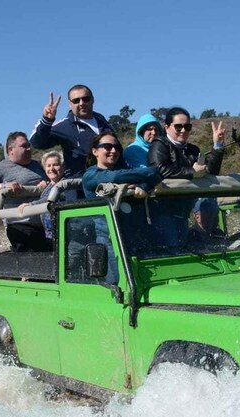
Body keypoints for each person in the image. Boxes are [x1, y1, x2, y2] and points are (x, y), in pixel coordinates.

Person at [79, 133, 162, 283]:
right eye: (107, 146)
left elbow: (156, 176)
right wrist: (146, 175)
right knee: (117, 284)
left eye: (117, 147)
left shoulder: (125, 172)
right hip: (108, 240)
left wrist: (143, 186)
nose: (113, 150)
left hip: (133, 237)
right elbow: (116, 177)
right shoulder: (90, 176)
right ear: (95, 151)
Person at [29, 85, 114, 200]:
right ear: (70, 104)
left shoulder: (103, 122)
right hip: (79, 192)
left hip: (110, 186)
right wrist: (47, 120)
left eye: (85, 99)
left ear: (92, 99)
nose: (81, 103)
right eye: (76, 100)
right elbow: (37, 143)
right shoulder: (65, 126)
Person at [0, 131, 49, 252]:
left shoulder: (38, 165)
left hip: (48, 225)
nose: (29, 149)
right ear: (11, 149)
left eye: (29, 145)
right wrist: (3, 186)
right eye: (24, 146)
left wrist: (47, 184)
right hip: (21, 227)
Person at [147, 107, 225, 179]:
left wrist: (217, 145)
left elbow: (211, 172)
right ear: (167, 128)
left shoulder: (194, 150)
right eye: (178, 127)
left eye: (187, 127)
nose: (183, 130)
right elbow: (159, 170)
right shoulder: (159, 145)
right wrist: (192, 171)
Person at [18, 150, 64, 244]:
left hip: (64, 236)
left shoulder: (65, 184)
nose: (51, 168)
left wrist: (30, 205)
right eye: (48, 165)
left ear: (63, 166)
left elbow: (50, 200)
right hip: (49, 236)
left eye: (55, 164)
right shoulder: (48, 186)